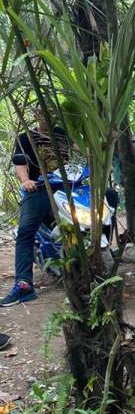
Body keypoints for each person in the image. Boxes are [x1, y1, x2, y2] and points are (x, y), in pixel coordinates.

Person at [1, 110, 70, 307]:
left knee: (107, 199)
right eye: (43, 112)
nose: (48, 116)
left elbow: (80, 153)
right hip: (39, 190)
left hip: (66, 188)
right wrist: (26, 180)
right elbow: (20, 164)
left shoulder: (62, 134)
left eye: (51, 113)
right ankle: (24, 284)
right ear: (36, 114)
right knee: (25, 232)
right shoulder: (25, 138)